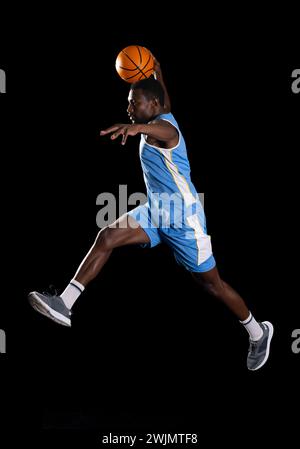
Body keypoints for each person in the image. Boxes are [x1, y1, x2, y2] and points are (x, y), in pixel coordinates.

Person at [28, 56, 273, 371]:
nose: (129, 107)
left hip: (184, 219)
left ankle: (257, 331)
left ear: (151, 104)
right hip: (157, 210)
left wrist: (133, 127)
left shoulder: (165, 130)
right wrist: (159, 72)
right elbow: (163, 105)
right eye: (129, 102)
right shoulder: (163, 111)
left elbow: (158, 127)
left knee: (213, 284)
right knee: (107, 235)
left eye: (134, 102)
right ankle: (64, 304)